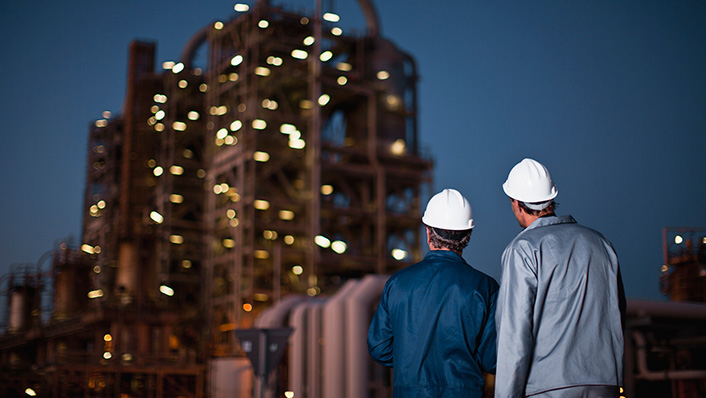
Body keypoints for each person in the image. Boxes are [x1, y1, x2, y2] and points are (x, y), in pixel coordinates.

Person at [495, 158, 626, 398]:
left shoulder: (523, 249)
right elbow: (618, 315)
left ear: (515, 203)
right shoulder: (601, 244)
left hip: (547, 389)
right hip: (605, 385)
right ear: (551, 198)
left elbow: (514, 337)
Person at [368, 188, 499, 397]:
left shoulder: (397, 284)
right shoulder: (486, 288)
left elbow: (379, 347)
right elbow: (492, 359)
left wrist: (411, 360)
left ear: (428, 232)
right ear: (468, 235)